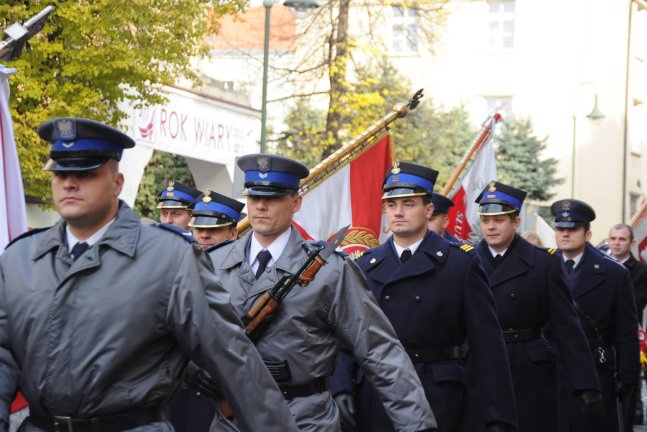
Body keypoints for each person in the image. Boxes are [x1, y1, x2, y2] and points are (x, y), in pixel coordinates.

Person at [0, 118, 298, 432]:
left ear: (116, 183)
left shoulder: (170, 258)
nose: (69, 183)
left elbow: (234, 359)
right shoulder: (20, 257)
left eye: (85, 173)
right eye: (60, 172)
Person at [207, 154, 437, 432]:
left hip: (303, 419)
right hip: (232, 421)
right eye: (254, 198)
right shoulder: (213, 264)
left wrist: (416, 426)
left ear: (296, 202)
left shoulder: (330, 270)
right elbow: (180, 336)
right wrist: (203, 377)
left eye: (274, 197)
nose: (261, 206)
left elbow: (379, 349)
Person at [332, 162, 517, 432]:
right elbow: (346, 337)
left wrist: (498, 416)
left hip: (437, 393)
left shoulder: (460, 264)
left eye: (408, 204)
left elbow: (488, 346)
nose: (398, 212)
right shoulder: (364, 265)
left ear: (428, 209)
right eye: (391, 204)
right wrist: (340, 387)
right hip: (377, 391)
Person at [474, 181, 602, 432]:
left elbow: (566, 327)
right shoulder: (465, 260)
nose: (490, 227)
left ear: (515, 222)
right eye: (485, 220)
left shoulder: (543, 264)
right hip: (479, 366)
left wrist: (586, 385)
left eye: (499, 220)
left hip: (528, 369)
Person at [551, 200, 639, 432]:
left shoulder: (613, 273)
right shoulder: (541, 266)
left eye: (573, 229)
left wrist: (627, 377)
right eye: (560, 229)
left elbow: (626, 332)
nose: (565, 234)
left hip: (595, 368)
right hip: (550, 367)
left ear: (587, 233)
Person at [164, 189, 246, 432]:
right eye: (199, 229)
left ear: (233, 232)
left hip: (221, 393)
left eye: (214, 229)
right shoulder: (173, 267)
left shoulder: (246, 274)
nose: (204, 235)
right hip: (177, 388)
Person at [608, 223, 647, 426]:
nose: (616, 243)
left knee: (626, 404)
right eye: (613, 239)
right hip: (602, 340)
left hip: (627, 341)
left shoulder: (643, 271)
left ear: (632, 243)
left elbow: (636, 304)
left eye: (621, 239)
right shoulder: (599, 265)